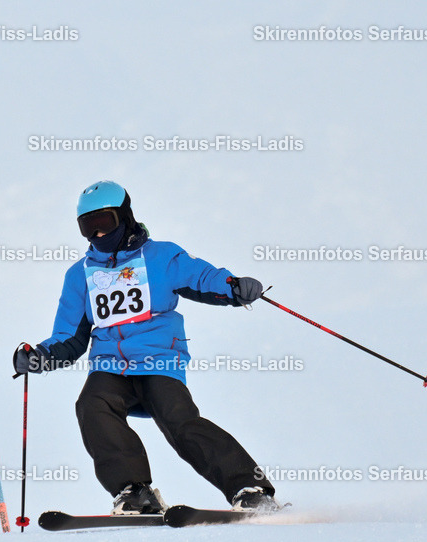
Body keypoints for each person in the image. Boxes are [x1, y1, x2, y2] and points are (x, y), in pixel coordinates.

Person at [14, 180, 278, 515]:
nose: (97, 235)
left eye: (104, 223)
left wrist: (233, 287)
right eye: (87, 227)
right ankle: (134, 491)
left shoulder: (161, 256)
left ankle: (249, 488)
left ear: (124, 216)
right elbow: (69, 335)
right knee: (92, 405)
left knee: (179, 420)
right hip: (110, 365)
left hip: (159, 360)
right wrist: (40, 356)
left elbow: (202, 277)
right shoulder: (80, 275)